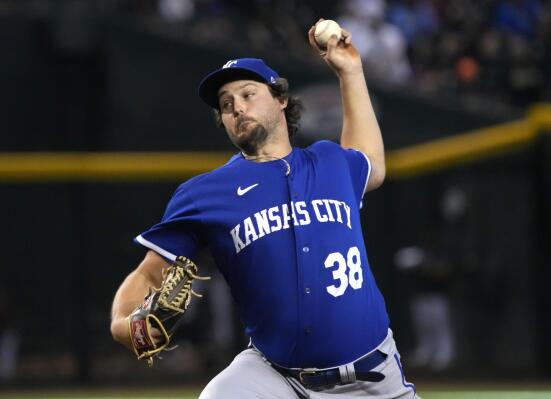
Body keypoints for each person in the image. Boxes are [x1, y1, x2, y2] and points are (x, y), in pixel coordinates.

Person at [111, 19, 419, 398]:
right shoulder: (205, 193)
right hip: (276, 376)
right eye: (226, 105)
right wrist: (123, 325)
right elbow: (148, 273)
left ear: (281, 99)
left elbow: (371, 160)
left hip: (373, 377)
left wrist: (350, 71)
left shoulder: (330, 162)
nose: (237, 107)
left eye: (247, 94)